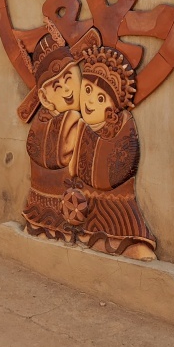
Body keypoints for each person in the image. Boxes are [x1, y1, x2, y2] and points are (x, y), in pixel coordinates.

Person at [69, 45, 156, 260]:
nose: (89, 102)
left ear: (113, 108)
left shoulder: (124, 127)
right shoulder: (81, 128)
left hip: (119, 211)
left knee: (132, 248)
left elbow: (115, 172)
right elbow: (72, 171)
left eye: (100, 99)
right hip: (85, 209)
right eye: (87, 90)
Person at [21, 24, 84, 242]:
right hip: (50, 211)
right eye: (56, 87)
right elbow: (60, 153)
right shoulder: (45, 125)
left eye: (69, 79)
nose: (67, 91)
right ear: (45, 98)